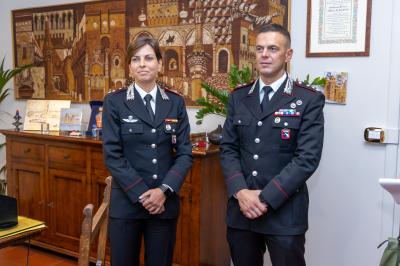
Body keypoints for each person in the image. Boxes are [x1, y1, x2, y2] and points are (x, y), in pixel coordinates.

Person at [220, 23, 325, 266]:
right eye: (259, 49)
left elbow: (307, 158)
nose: (264, 55)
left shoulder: (307, 99)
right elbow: (228, 148)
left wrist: (265, 198)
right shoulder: (239, 96)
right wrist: (241, 192)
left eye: (273, 49)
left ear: (288, 55)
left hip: (284, 212)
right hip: (242, 212)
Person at [102, 35, 192, 266]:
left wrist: (162, 191)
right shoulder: (115, 102)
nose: (143, 64)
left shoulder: (175, 102)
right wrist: (144, 195)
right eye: (136, 59)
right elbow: (112, 154)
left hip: (164, 205)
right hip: (127, 204)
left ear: (160, 64)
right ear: (130, 67)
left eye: (149, 58)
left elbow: (184, 154)